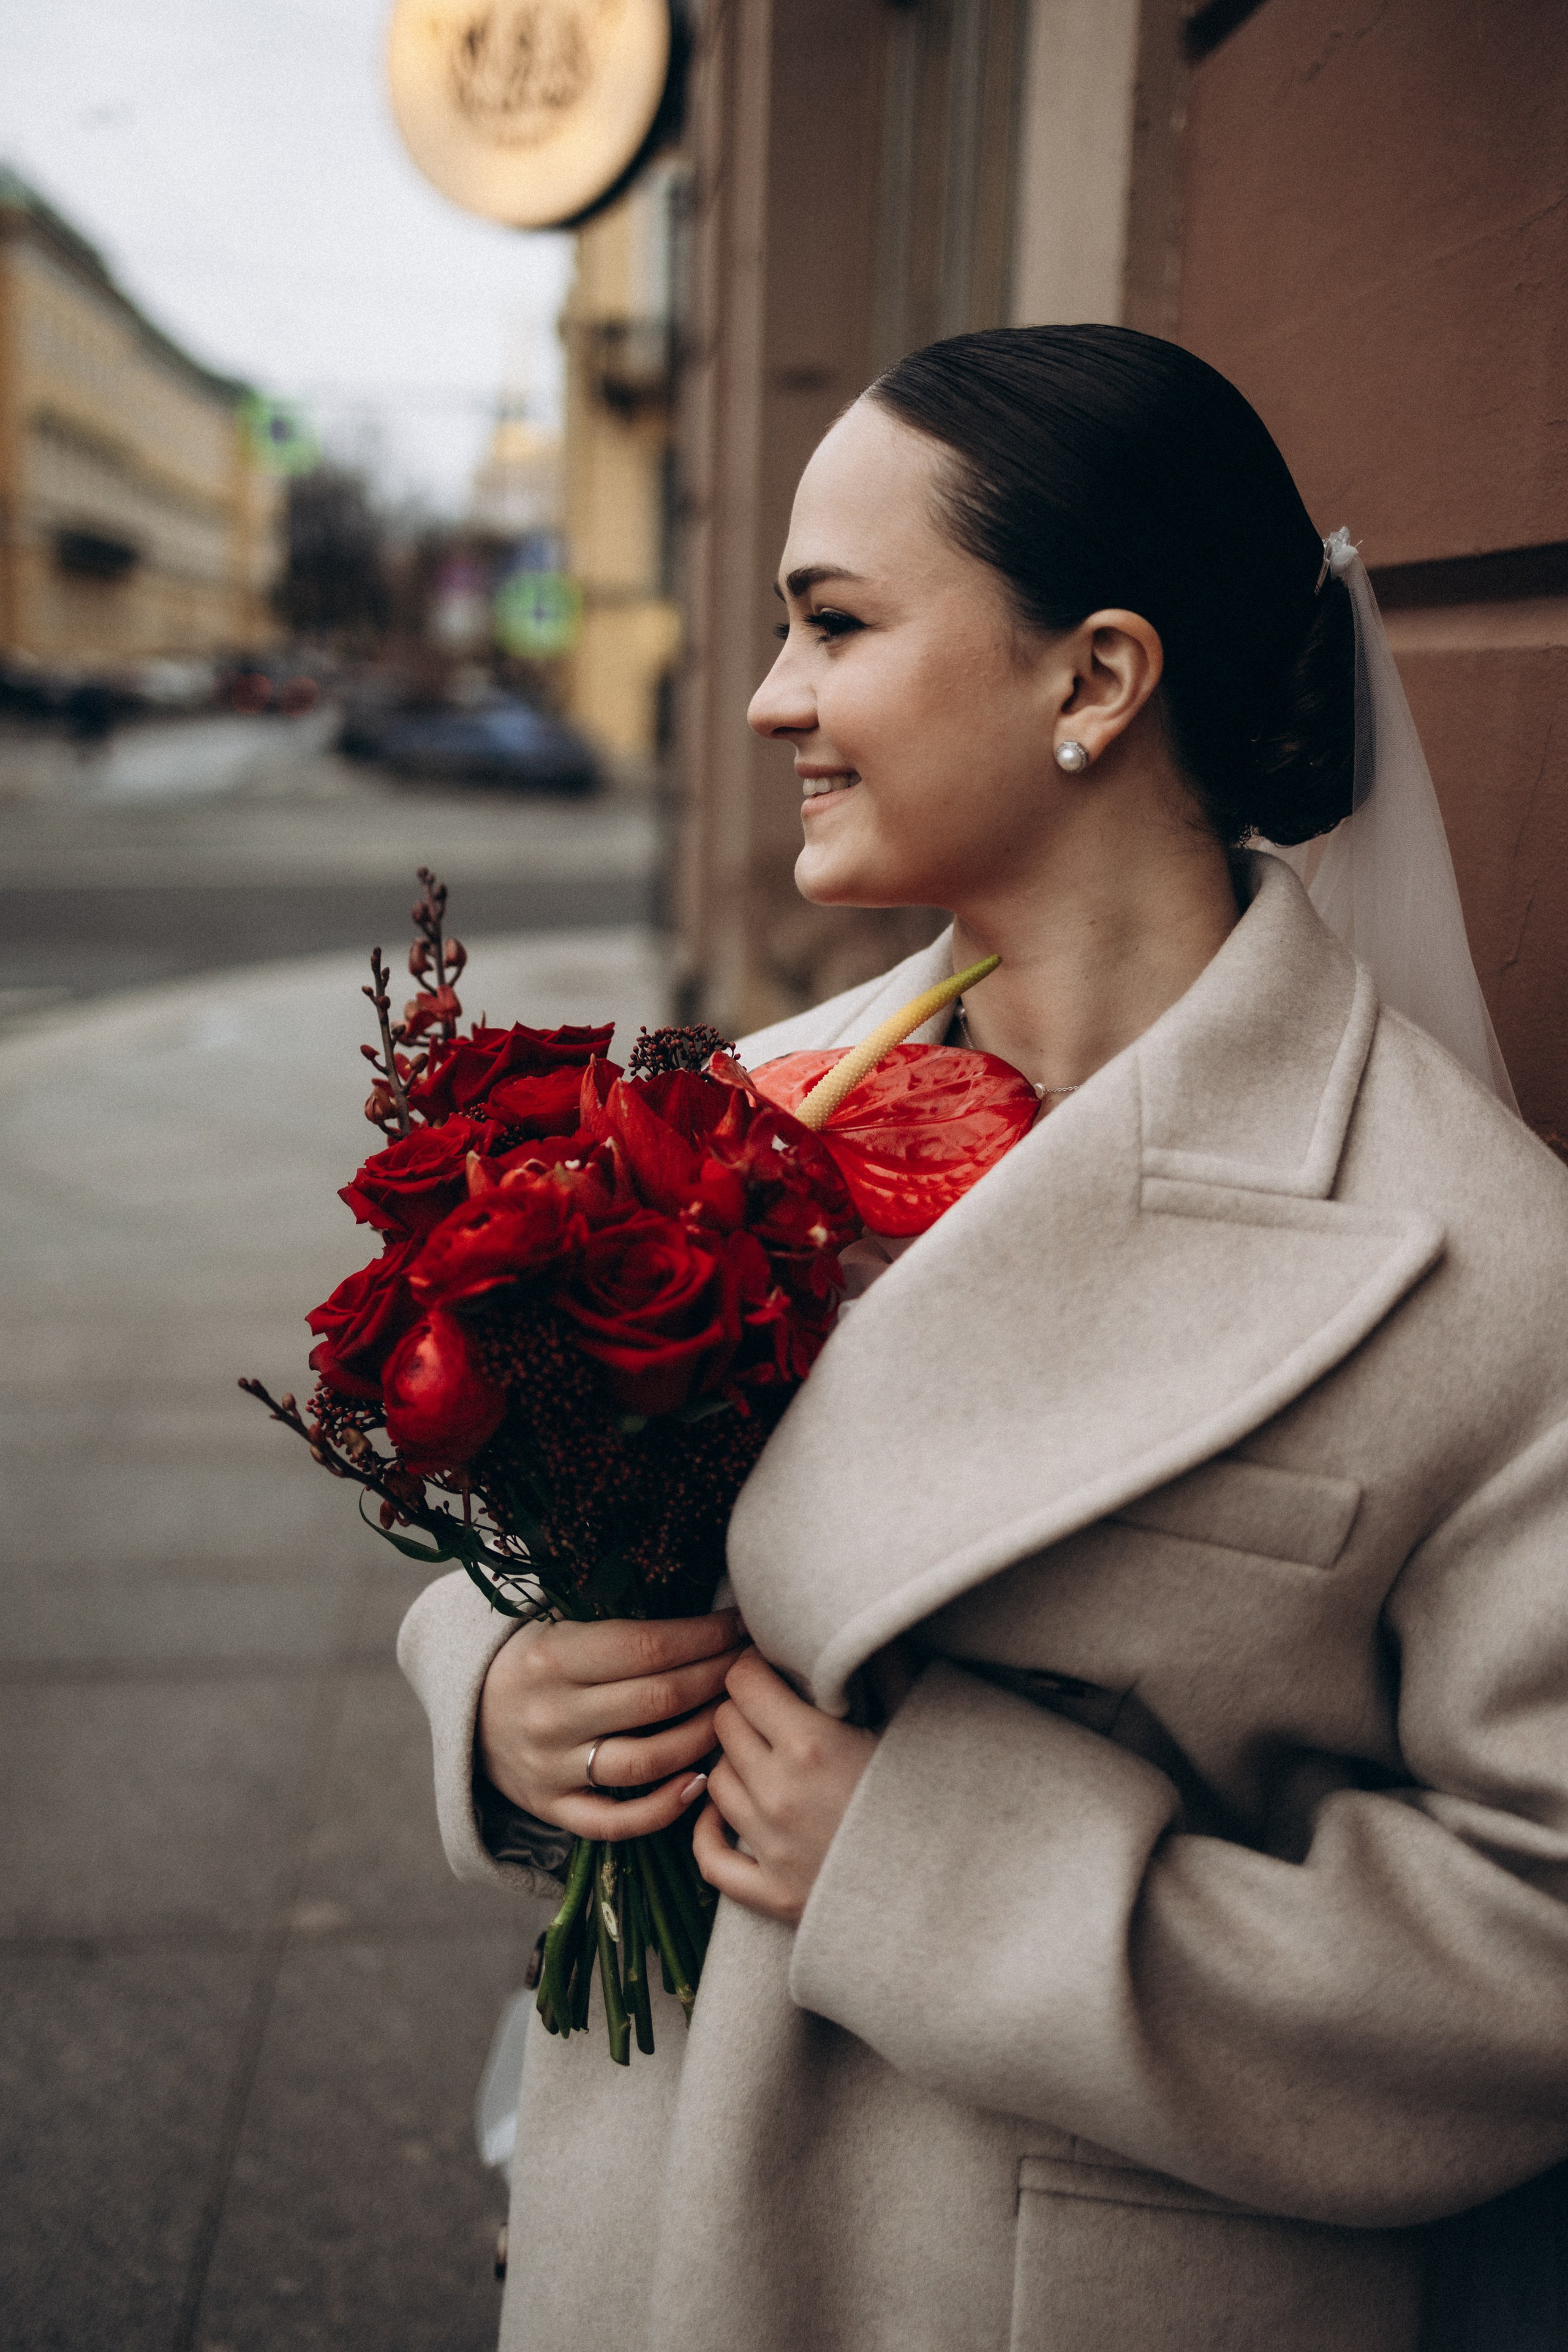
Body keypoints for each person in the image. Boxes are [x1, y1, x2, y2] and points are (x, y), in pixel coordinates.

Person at [399, 326, 1568, 2352]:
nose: (772, 701)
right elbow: (521, 1551)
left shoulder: (1471, 1256)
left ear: (1097, 680)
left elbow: (1536, 1946)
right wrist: (505, 1698)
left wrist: (941, 1868)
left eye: (832, 624)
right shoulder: (722, 1117)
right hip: (648, 2219)